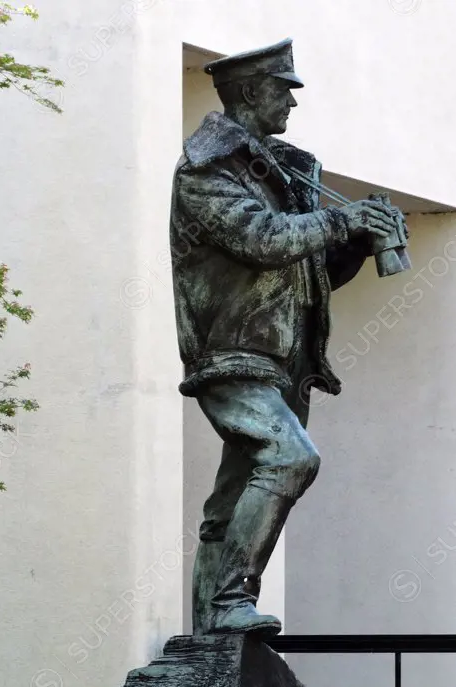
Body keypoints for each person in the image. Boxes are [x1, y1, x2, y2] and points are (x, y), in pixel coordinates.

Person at [170, 38, 402, 638]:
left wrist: (355, 240)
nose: (292, 105)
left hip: (285, 358)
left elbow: (311, 271)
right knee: (290, 457)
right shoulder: (208, 169)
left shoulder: (282, 170)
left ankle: (210, 641)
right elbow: (259, 238)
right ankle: (229, 602)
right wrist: (338, 219)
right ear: (249, 92)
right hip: (233, 352)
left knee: (229, 505)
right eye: (283, 90)